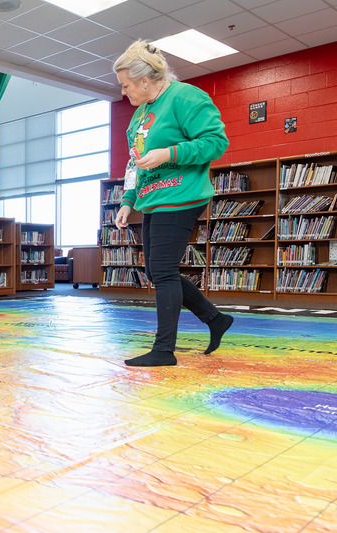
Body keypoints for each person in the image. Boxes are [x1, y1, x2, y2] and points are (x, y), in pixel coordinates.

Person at [113, 40, 234, 367]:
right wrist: (127, 201)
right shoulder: (137, 118)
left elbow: (215, 142)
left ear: (145, 81)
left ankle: (164, 350)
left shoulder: (186, 97)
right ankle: (215, 319)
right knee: (156, 270)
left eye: (126, 85)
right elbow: (134, 163)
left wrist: (169, 153)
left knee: (164, 271)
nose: (124, 92)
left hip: (181, 195)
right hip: (152, 199)